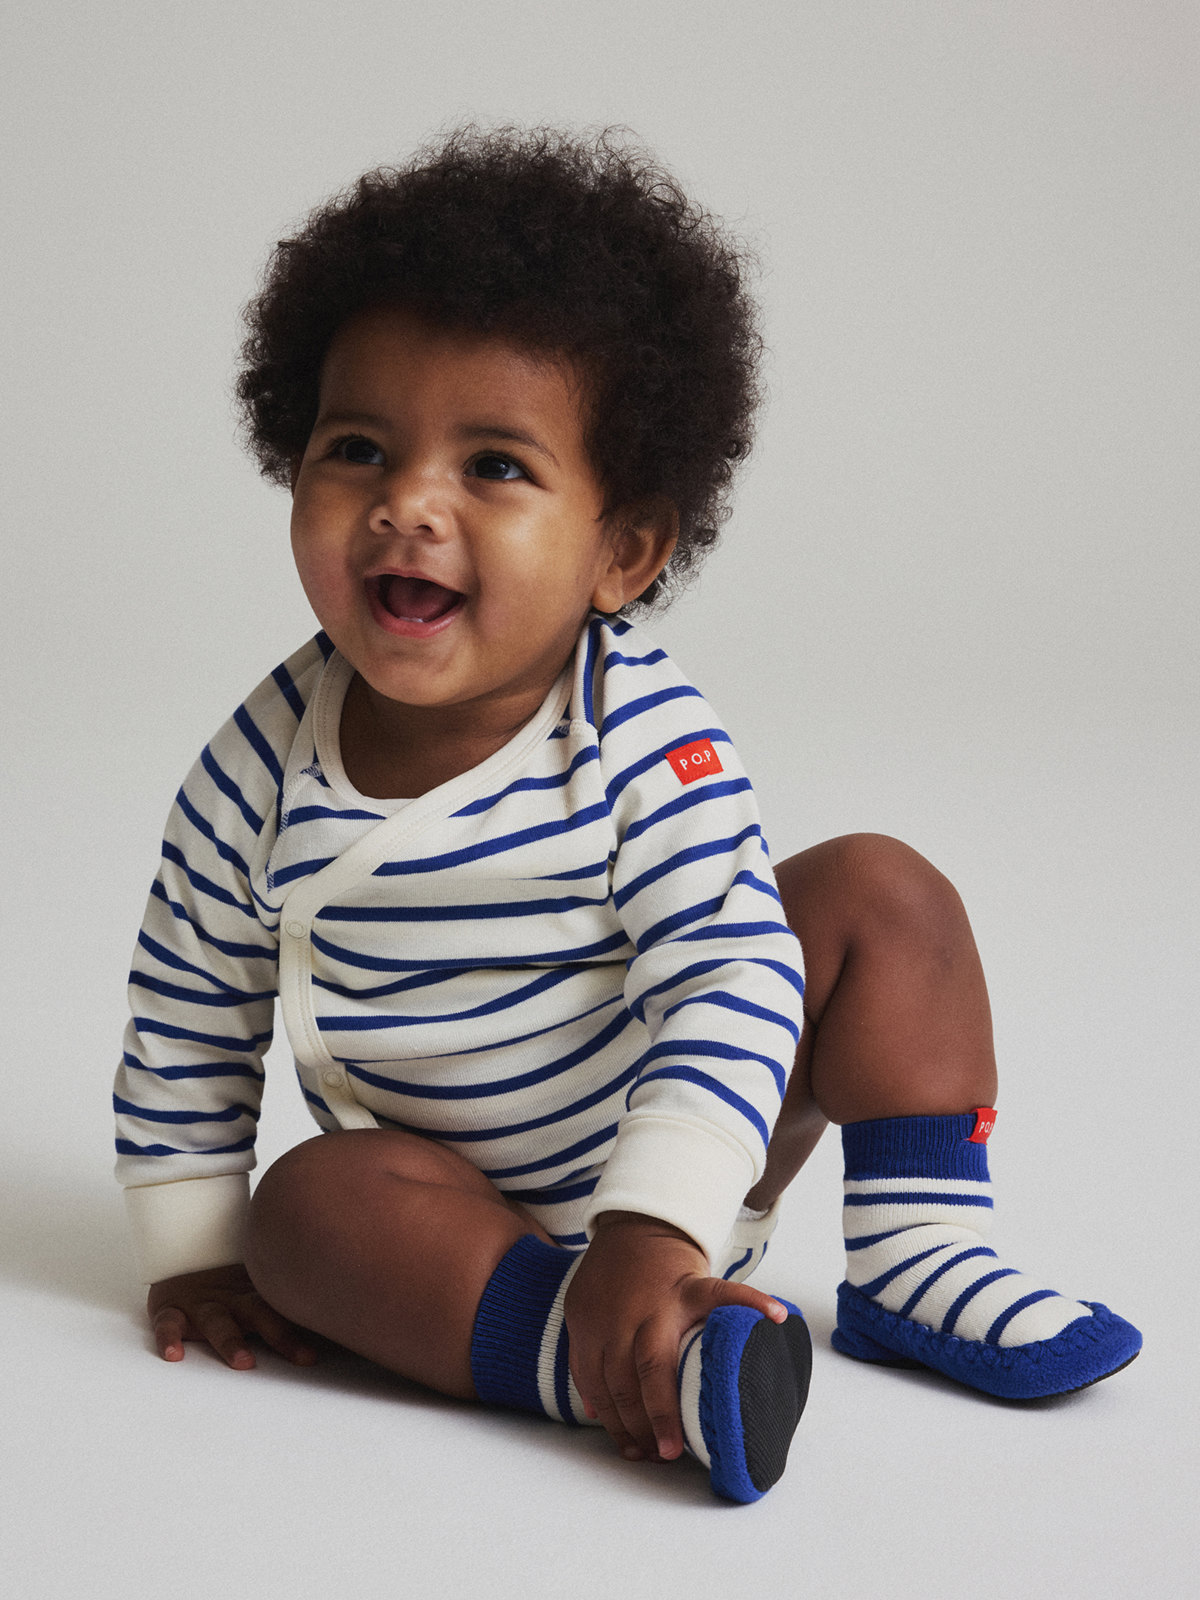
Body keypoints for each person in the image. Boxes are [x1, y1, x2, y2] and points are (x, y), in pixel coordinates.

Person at [114, 127, 1140, 1505]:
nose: (407, 505)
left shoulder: (640, 735)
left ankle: (914, 1253)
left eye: (494, 466)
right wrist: (192, 1247)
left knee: (879, 894)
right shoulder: (257, 770)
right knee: (304, 1211)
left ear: (625, 550)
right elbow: (189, 1002)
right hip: (451, 1219)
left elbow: (730, 974)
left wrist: (657, 1223)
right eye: (357, 448)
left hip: (695, 1158)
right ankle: (595, 1352)